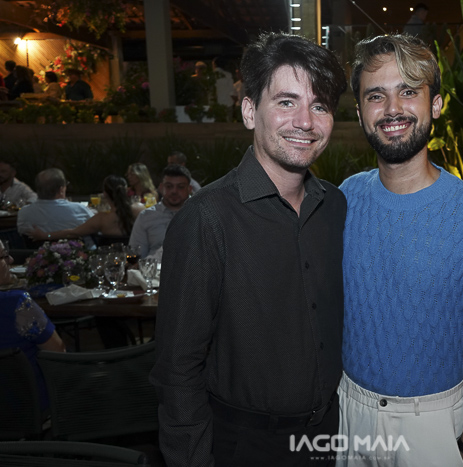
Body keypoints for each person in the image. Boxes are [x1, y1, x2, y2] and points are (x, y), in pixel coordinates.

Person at [150, 32, 347, 466]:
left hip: (331, 437)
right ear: (249, 111)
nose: (305, 122)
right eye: (286, 102)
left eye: (319, 106)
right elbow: (177, 369)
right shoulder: (206, 219)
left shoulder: (335, 206)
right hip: (246, 447)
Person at [339, 34, 463, 466]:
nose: (392, 109)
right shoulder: (345, 198)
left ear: (436, 104)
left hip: (435, 427)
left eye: (408, 91)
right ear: (360, 112)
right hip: (350, 413)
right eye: (376, 96)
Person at [0, 241, 66, 412]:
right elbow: (58, 353)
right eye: (4, 256)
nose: (10, 259)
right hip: (30, 406)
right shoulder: (17, 303)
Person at [28, 176, 144, 243]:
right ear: (126, 190)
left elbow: (72, 233)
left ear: (105, 194)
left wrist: (45, 236)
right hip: (137, 259)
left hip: (111, 263)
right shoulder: (139, 209)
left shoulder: (101, 219)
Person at [17, 168, 94, 246]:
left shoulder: (23, 213)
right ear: (61, 190)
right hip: (82, 252)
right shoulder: (80, 210)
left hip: (38, 253)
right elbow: (96, 229)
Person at [129, 165, 192, 258]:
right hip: (155, 266)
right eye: (169, 186)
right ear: (161, 188)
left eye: (180, 187)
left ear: (189, 189)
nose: (174, 191)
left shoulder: (201, 214)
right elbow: (136, 255)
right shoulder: (146, 217)